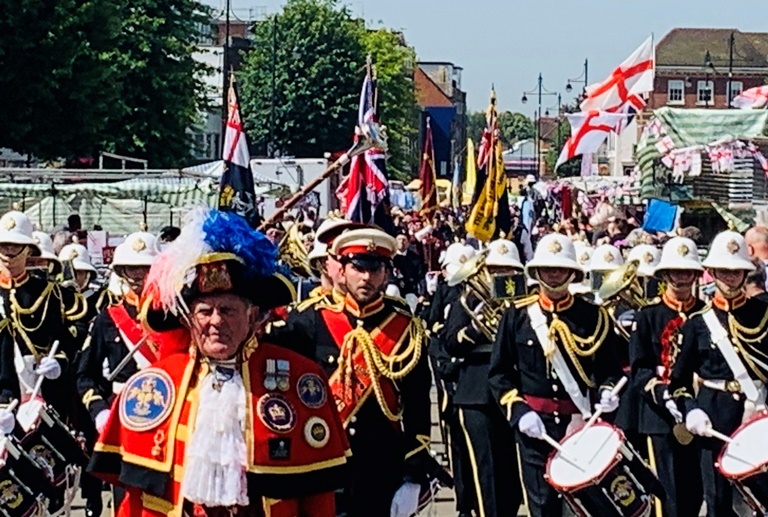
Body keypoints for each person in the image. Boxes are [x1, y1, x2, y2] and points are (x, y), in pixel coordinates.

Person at [89, 208, 349, 516]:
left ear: (253, 316)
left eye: (227, 310)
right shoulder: (154, 385)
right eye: (204, 311)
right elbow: (135, 500)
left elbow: (318, 497)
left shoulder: (300, 379)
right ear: (186, 319)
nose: (215, 322)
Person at [265, 226, 435, 517]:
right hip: (324, 461)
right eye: (358, 268)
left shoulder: (405, 328)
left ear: (386, 273)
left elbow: (417, 405)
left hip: (381, 465)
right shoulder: (310, 319)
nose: (366, 277)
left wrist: (414, 476)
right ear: (341, 271)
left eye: (375, 269)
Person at [488, 233, 624, 517]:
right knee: (543, 505)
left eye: (560, 268)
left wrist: (608, 390)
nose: (553, 274)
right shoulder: (516, 316)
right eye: (547, 269)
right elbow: (500, 374)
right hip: (536, 427)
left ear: (572, 273)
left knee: (590, 504)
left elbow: (609, 368)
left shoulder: (593, 316)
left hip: (582, 424)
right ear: (537, 272)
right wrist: (519, 412)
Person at [670, 230, 768, 516]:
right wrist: (691, 410)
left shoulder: (763, 313)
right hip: (714, 417)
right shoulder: (697, 324)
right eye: (723, 271)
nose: (730, 277)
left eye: (736, 272)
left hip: (759, 411)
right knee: (718, 498)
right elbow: (678, 382)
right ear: (711, 273)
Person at [443, 239, 523, 517]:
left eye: (507, 270)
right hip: (477, 392)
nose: (500, 275)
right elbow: (450, 343)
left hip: (515, 389)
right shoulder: (468, 301)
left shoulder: (524, 304)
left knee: (512, 470)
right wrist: (476, 329)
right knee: (486, 470)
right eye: (494, 269)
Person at [629, 237, 705, 517]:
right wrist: (661, 393)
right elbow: (640, 369)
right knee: (668, 493)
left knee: (697, 489)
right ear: (665, 275)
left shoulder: (705, 314)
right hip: (659, 415)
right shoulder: (648, 316)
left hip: (700, 411)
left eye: (687, 272)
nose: (682, 279)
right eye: (676, 272)